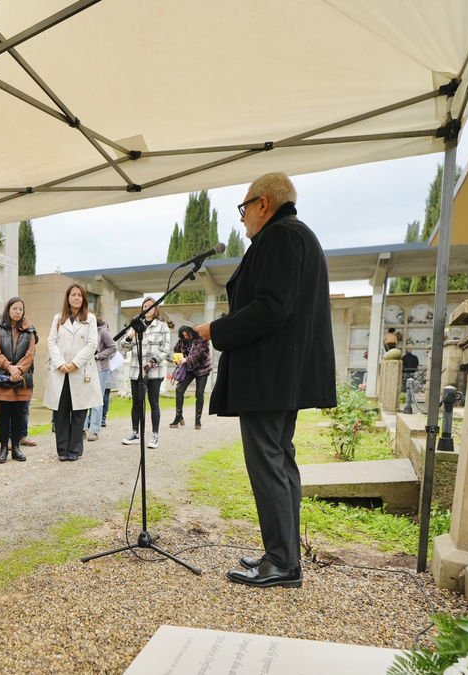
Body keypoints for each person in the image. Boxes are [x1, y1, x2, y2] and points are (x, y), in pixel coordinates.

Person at [195, 172, 335, 590]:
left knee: (269, 464)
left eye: (244, 209)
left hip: (269, 376)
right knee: (281, 461)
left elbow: (271, 308)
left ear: (262, 204)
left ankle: (281, 562)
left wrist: (213, 331)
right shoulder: (299, 236)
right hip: (282, 376)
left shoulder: (279, 238)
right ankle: (284, 555)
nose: (241, 220)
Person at [44, 283, 101, 462]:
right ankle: (62, 450)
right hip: (60, 371)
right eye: (73, 294)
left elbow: (92, 344)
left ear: (83, 298)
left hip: (80, 370)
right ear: (67, 298)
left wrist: (75, 363)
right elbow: (51, 342)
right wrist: (61, 363)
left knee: (78, 412)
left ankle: (75, 449)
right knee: (61, 412)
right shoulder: (58, 318)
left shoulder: (90, 319)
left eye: (79, 295)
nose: (76, 297)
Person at [0, 296, 35, 463]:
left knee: (18, 415)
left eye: (20, 309)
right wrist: (10, 368)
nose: (17, 311)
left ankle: (16, 447)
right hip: (2, 378)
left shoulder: (30, 330)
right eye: (14, 308)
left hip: (22, 379)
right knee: (4, 415)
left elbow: (30, 354)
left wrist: (18, 370)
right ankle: (3, 448)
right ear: (8, 310)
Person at [120, 297, 171, 449]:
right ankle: (135, 433)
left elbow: (165, 348)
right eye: (145, 306)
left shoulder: (162, 326)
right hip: (136, 370)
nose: (147, 308)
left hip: (154, 371)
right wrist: (130, 336)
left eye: (151, 306)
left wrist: (153, 361)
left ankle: (155, 435)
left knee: (153, 402)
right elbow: (124, 346)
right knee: (136, 403)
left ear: (156, 309)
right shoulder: (135, 325)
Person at [169, 325, 212, 430]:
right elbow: (176, 350)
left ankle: (198, 421)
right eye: (183, 335)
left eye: (187, 334)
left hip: (202, 369)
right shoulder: (182, 341)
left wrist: (187, 360)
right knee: (179, 389)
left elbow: (201, 354)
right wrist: (177, 359)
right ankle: (178, 416)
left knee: (199, 394)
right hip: (189, 369)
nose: (185, 337)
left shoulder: (202, 339)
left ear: (191, 332)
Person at [85, 317, 117, 441]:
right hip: (86, 369)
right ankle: (82, 428)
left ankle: (94, 430)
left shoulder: (102, 332)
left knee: (97, 399)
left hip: (101, 369)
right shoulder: (85, 331)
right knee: (84, 399)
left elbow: (113, 347)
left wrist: (98, 356)